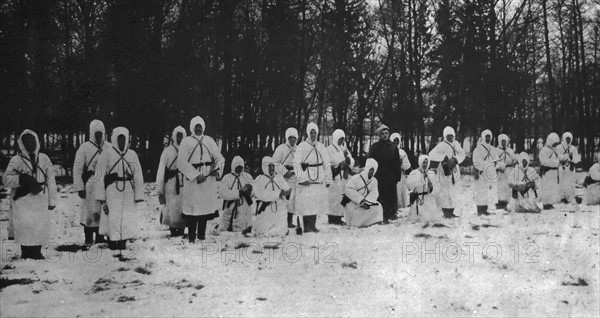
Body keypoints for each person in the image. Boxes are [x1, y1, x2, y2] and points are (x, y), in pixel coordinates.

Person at [2, 130, 57, 259]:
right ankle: (26, 252)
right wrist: (20, 180)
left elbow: (51, 179)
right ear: (22, 144)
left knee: (39, 224)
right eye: (27, 142)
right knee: (25, 225)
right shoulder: (16, 160)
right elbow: (5, 179)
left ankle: (37, 251)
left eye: (33, 141)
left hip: (40, 196)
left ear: (37, 142)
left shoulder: (44, 158)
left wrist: (52, 200)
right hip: (23, 198)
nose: (31, 144)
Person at [95, 127, 144, 251]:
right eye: (119, 139)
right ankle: (113, 241)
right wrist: (101, 196)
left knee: (126, 217)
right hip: (112, 190)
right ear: (115, 139)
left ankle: (123, 241)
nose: (122, 142)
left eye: (124, 139)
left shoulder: (131, 154)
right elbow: (99, 175)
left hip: (127, 189)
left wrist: (139, 194)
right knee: (113, 216)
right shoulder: (106, 153)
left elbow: (138, 174)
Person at [177, 116, 224, 243]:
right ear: (192, 127)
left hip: (207, 180)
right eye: (196, 126)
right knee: (193, 210)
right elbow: (181, 162)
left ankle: (202, 236)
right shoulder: (186, 142)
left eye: (200, 126)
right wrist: (196, 174)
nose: (198, 129)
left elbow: (220, 158)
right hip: (193, 181)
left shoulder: (209, 141)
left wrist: (216, 170)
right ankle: (191, 237)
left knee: (204, 209)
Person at [73, 119, 112, 245]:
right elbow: (78, 168)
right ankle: (88, 238)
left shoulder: (109, 147)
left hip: (105, 184)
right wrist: (80, 187)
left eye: (101, 133)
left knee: (103, 211)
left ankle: (101, 237)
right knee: (90, 211)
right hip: (90, 184)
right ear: (91, 133)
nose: (99, 136)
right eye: (96, 133)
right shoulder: (84, 148)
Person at [293, 122, 330, 233]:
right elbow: (296, 163)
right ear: (308, 133)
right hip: (307, 176)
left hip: (318, 176)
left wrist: (328, 177)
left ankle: (312, 224)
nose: (313, 135)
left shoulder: (321, 146)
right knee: (307, 202)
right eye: (311, 132)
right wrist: (302, 178)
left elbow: (326, 162)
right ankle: (307, 226)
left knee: (316, 201)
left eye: (315, 132)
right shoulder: (302, 146)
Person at [155, 126, 188, 237]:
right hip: (170, 183)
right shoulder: (167, 152)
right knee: (172, 207)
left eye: (181, 136)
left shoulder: (187, 151)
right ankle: (173, 230)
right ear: (174, 136)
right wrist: (160, 189)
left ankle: (182, 229)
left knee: (182, 206)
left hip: (184, 182)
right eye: (177, 136)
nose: (179, 138)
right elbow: (161, 171)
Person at [428, 126, 466, 219]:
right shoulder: (442, 145)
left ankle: (452, 210)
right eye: (448, 136)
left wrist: (455, 159)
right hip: (445, 170)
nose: (450, 138)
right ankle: (446, 211)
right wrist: (443, 158)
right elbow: (431, 154)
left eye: (452, 136)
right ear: (445, 136)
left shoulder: (456, 144)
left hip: (455, 170)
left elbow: (462, 154)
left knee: (453, 190)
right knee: (445, 191)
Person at [367, 125, 402, 223]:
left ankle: (391, 213)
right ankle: (380, 214)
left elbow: (396, 163)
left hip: (390, 176)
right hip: (379, 175)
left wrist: (397, 176)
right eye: (382, 134)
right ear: (379, 135)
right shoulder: (375, 147)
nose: (385, 135)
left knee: (390, 194)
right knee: (380, 195)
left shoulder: (394, 147)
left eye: (386, 133)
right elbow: (370, 161)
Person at [251, 156, 292, 237]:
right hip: (266, 208)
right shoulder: (259, 179)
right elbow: (260, 195)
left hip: (279, 208)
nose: (272, 168)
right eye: (269, 166)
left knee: (280, 229)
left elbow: (287, 189)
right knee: (263, 231)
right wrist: (278, 194)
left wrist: (287, 192)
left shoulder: (279, 177)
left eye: (273, 166)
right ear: (265, 167)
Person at [342, 158, 383, 227]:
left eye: (373, 171)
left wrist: (367, 202)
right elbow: (348, 189)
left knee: (378, 206)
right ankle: (355, 223)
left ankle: (372, 221)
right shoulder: (356, 178)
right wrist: (361, 200)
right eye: (370, 170)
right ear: (367, 168)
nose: (371, 172)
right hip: (353, 203)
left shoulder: (374, 181)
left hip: (366, 204)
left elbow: (374, 193)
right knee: (355, 211)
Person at [326, 129, 355, 225]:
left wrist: (348, 160)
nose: (341, 141)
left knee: (342, 196)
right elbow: (330, 160)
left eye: (342, 139)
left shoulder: (344, 148)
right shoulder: (329, 149)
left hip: (344, 176)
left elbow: (351, 161)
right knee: (334, 197)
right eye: (339, 139)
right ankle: (332, 217)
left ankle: (340, 216)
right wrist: (341, 158)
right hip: (335, 175)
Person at [218, 156, 254, 232]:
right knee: (227, 223)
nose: (239, 169)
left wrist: (249, 189)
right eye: (237, 167)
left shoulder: (247, 176)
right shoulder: (227, 178)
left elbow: (254, 190)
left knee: (244, 220)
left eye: (241, 167)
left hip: (244, 205)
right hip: (231, 205)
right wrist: (238, 193)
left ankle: (245, 229)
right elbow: (222, 193)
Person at [273, 127, 298, 228]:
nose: (292, 139)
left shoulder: (298, 149)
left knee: (292, 200)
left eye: (294, 137)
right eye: (290, 137)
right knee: (284, 200)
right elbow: (274, 163)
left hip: (294, 178)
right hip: (283, 179)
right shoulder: (281, 148)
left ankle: (290, 221)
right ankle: (282, 221)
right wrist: (284, 171)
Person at [472, 129, 502, 216]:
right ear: (483, 137)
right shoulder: (478, 149)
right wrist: (485, 166)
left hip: (491, 174)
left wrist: (495, 167)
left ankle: (486, 209)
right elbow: (476, 161)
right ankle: (480, 210)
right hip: (482, 173)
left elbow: (496, 160)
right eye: (486, 136)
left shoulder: (492, 148)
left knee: (489, 192)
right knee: (481, 191)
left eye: (489, 137)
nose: (488, 138)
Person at [539, 132, 565, 210]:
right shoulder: (545, 150)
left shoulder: (554, 150)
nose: (555, 145)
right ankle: (546, 203)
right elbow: (544, 162)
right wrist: (556, 162)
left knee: (553, 188)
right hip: (547, 171)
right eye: (554, 143)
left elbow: (557, 157)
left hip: (553, 172)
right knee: (547, 188)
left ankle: (550, 202)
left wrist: (562, 159)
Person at [406, 155, 437, 222]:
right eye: (423, 162)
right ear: (420, 162)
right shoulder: (414, 173)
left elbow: (435, 187)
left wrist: (431, 185)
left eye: (426, 162)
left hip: (427, 197)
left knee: (428, 217)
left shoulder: (431, 173)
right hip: (418, 197)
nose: (425, 164)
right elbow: (409, 185)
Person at [557, 132, 581, 204]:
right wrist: (564, 158)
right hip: (562, 167)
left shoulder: (573, 148)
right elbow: (557, 156)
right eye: (566, 139)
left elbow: (577, 159)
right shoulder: (559, 147)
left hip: (570, 167)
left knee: (570, 182)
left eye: (569, 139)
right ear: (564, 139)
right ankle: (562, 196)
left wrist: (572, 159)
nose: (568, 141)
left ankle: (570, 196)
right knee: (562, 182)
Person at [390, 133, 412, 209]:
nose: (396, 142)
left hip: (400, 175)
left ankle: (400, 207)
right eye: (394, 141)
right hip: (390, 174)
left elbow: (407, 165)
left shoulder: (402, 152)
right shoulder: (388, 150)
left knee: (399, 191)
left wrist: (401, 162)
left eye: (397, 141)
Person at [495, 134, 516, 209]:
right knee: (500, 186)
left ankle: (507, 201)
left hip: (508, 171)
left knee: (507, 186)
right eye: (502, 141)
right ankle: (499, 201)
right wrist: (499, 166)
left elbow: (514, 160)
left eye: (505, 141)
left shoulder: (510, 151)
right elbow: (494, 161)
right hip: (500, 172)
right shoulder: (496, 151)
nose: (503, 143)